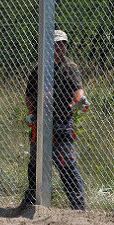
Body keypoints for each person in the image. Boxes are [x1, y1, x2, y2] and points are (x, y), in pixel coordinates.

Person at [19, 29, 90, 211]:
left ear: (66, 46)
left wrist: (80, 100)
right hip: (40, 123)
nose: (58, 47)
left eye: (62, 44)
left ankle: (78, 208)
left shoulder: (70, 67)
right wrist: (31, 112)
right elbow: (29, 96)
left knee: (67, 166)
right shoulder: (39, 68)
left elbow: (78, 91)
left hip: (61, 123)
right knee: (35, 165)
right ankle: (31, 202)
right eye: (55, 44)